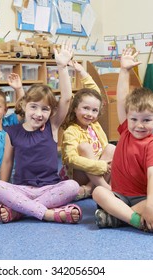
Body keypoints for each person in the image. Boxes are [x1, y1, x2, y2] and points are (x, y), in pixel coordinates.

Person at [0, 41, 82, 224]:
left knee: (73, 186)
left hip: (49, 189)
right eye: (34, 107)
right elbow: (7, 162)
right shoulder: (13, 131)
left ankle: (20, 210)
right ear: (24, 106)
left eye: (45, 109)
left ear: (51, 112)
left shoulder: (52, 126)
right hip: (22, 189)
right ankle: (48, 213)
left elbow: (66, 99)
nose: (39, 114)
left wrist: (62, 67)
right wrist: (4, 192)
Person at [92, 48, 153, 234]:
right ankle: (138, 221)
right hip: (119, 195)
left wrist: (151, 207)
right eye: (134, 119)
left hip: (142, 198)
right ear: (128, 118)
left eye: (146, 120)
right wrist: (124, 71)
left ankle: (116, 218)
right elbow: (121, 100)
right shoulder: (125, 131)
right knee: (98, 192)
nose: (139, 125)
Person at [60, 60, 115, 200]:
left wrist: (82, 72)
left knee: (111, 148)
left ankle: (91, 188)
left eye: (94, 110)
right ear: (75, 108)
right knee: (84, 147)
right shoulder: (71, 131)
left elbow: (96, 94)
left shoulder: (94, 125)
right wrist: (98, 165)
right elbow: (70, 159)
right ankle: (106, 188)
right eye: (85, 108)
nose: (90, 114)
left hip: (97, 173)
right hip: (79, 175)